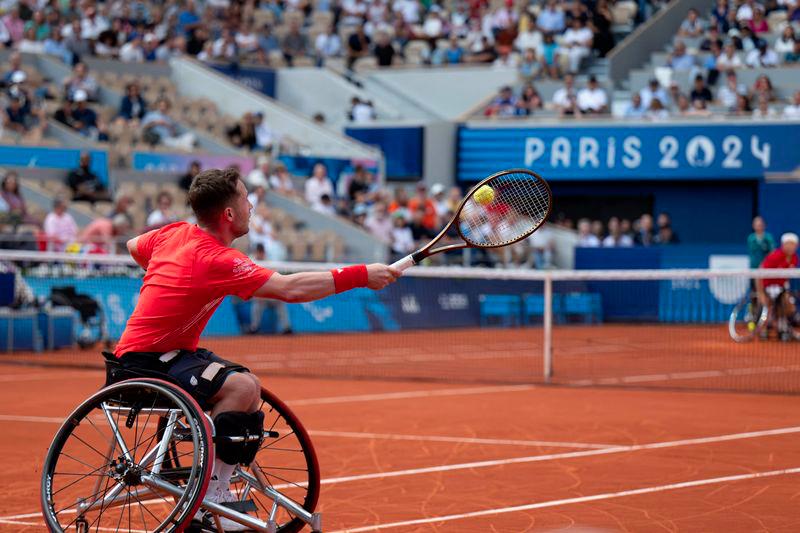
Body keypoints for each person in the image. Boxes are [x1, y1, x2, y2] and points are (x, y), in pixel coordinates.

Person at [116, 168, 399, 528]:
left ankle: (214, 485)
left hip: (166, 355)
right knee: (243, 386)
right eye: (245, 198)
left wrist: (170, 280)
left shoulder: (174, 234)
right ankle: (210, 497)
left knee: (247, 384)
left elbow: (133, 247)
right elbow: (290, 289)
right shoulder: (216, 259)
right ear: (229, 214)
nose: (251, 205)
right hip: (146, 363)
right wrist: (359, 276)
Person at [757, 233, 798, 341]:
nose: (791, 247)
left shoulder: (794, 258)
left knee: (789, 307)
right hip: (768, 287)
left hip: (781, 288)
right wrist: (761, 293)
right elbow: (759, 273)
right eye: (788, 244)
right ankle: (766, 327)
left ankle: (782, 326)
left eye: (793, 244)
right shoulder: (775, 256)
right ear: (783, 244)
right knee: (772, 307)